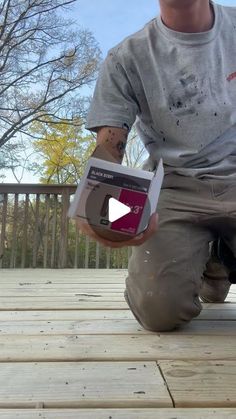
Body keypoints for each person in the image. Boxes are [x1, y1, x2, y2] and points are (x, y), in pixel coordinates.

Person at [77, 0, 236, 332]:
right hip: (174, 187)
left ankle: (221, 257)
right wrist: (97, 211)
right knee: (158, 311)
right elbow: (109, 149)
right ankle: (208, 264)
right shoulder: (126, 58)